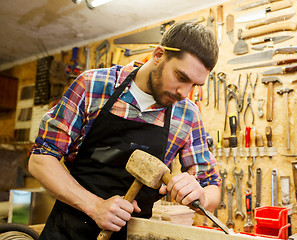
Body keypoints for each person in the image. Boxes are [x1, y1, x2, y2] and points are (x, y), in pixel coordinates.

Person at [28, 20, 220, 239]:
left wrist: (200, 195)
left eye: (195, 85)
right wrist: (95, 206)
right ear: (158, 55)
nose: (184, 92)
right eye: (181, 77)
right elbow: (41, 159)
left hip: (135, 235)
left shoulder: (188, 114)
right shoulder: (93, 86)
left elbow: (211, 186)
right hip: (68, 231)